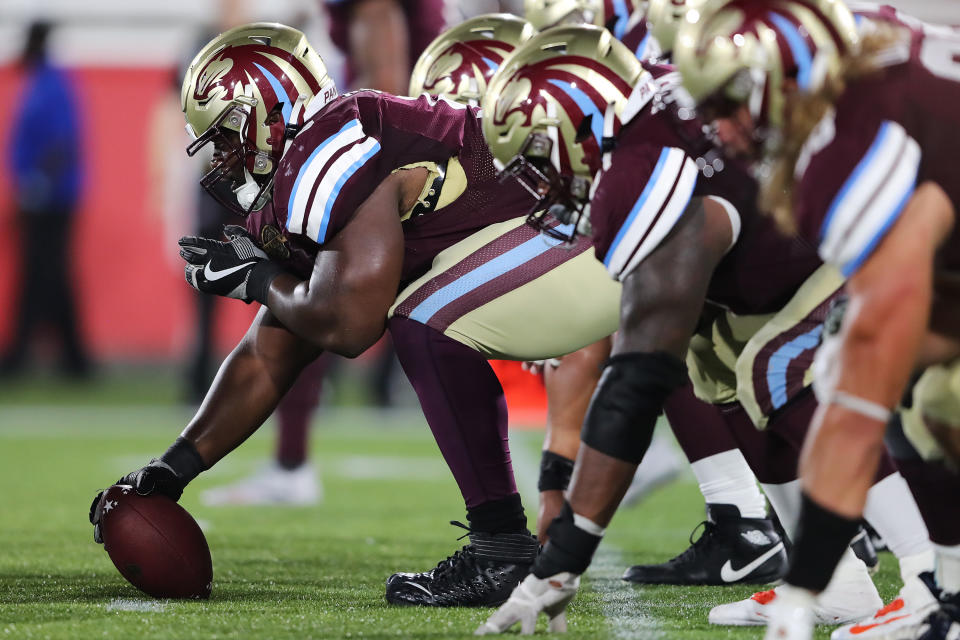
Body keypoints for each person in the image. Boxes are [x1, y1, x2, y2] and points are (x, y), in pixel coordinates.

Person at [89, 21, 624, 608]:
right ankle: (736, 522)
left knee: (422, 318)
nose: (221, 159)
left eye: (225, 137)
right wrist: (172, 470)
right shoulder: (306, 168)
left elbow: (349, 326)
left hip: (592, 227)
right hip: (564, 234)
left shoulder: (330, 148)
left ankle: (500, 547)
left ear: (266, 116)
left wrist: (262, 280)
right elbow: (271, 350)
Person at [473, 23, 930, 634]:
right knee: (716, 367)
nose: (541, 185)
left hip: (862, 217)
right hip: (792, 231)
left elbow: (635, 383)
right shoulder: (645, 116)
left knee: (771, 368)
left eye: (538, 158)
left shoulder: (642, 173)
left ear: (577, 128)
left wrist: (563, 560)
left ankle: (929, 576)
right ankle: (833, 579)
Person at [674, 2, 960, 639]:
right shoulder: (865, 43)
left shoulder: (847, 154)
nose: (722, 132)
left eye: (729, 105)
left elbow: (869, 382)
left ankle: (931, 588)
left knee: (913, 391)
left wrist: (802, 593)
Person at [199, 0, 449, 506]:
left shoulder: (373, 12)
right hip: (419, 155)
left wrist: (344, 175)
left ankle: (291, 463)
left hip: (395, 163)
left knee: (312, 304)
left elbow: (388, 89)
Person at [2, 21, 91, 378]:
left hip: (52, 200)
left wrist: (36, 184)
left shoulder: (52, 85)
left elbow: (61, 143)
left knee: (42, 276)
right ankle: (74, 360)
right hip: (44, 197)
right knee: (49, 277)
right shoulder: (43, 83)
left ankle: (22, 356)